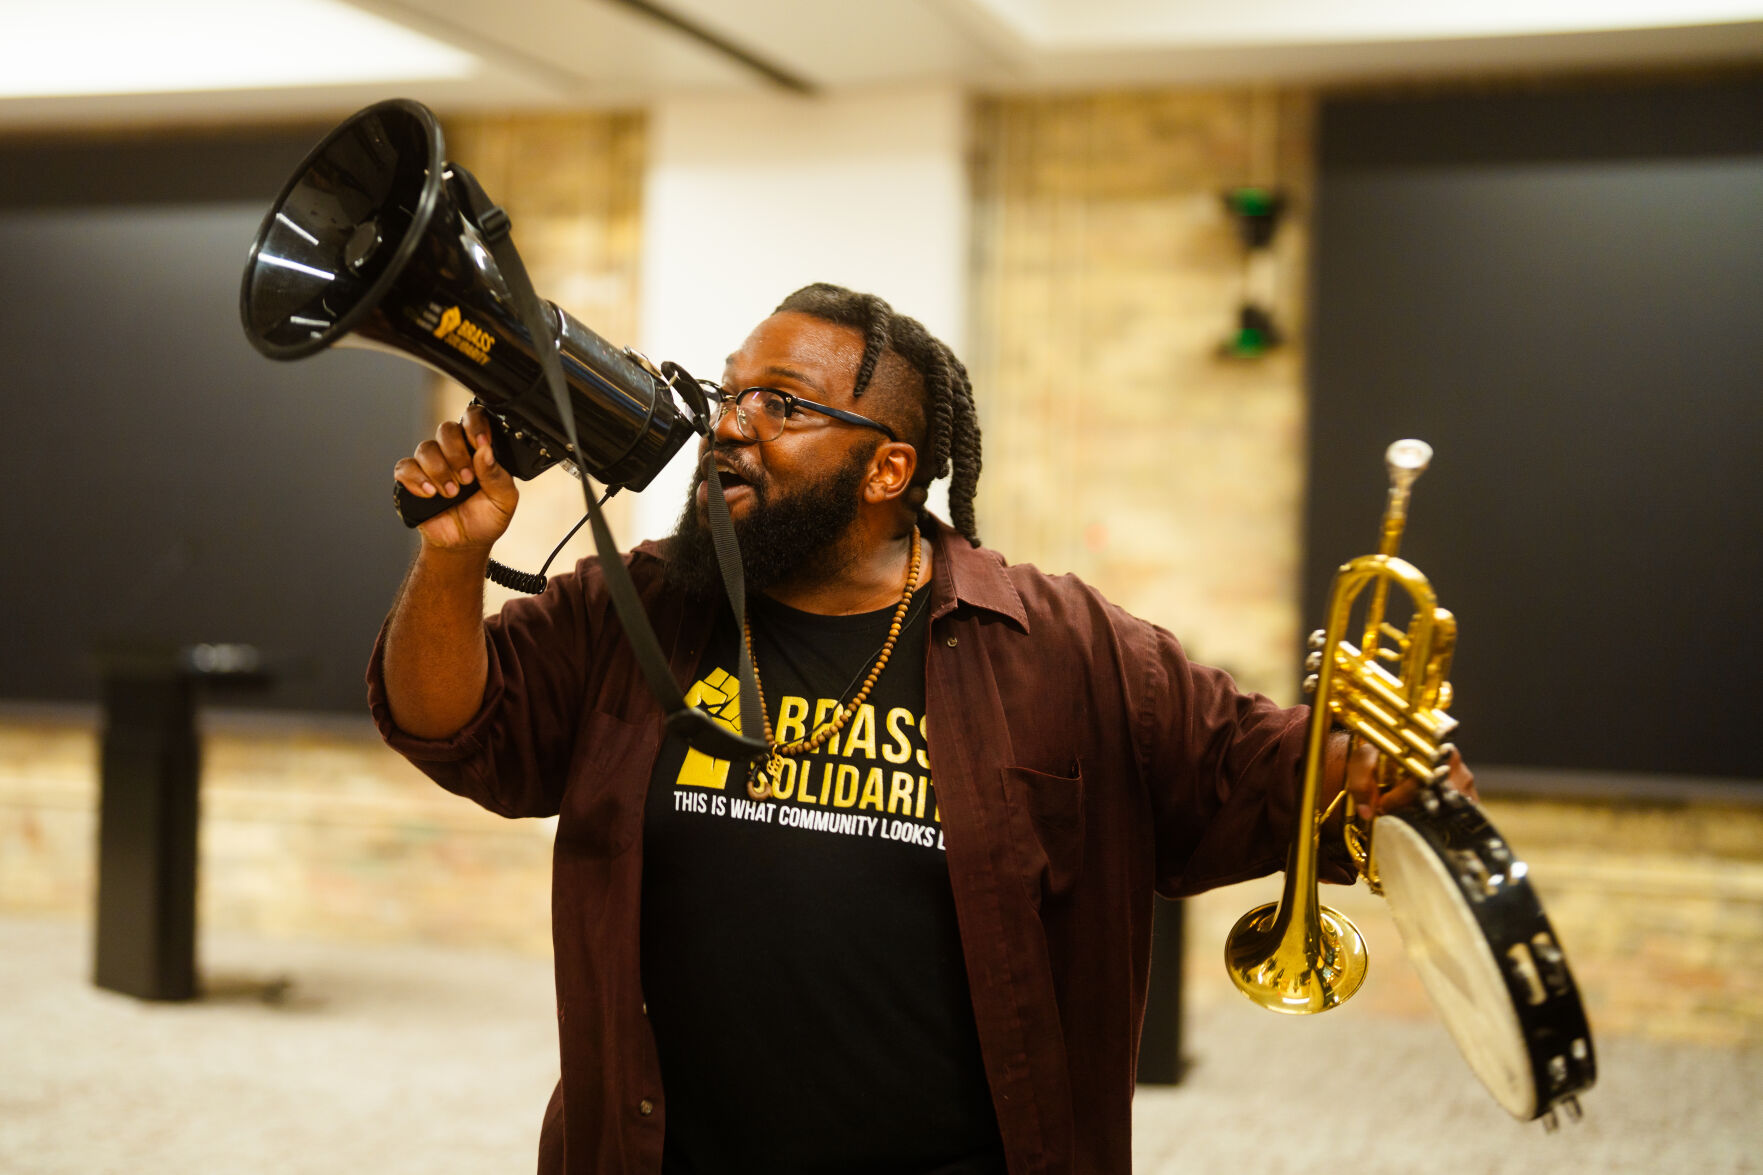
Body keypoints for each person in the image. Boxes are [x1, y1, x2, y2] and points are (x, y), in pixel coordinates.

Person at [369, 283, 1473, 1175]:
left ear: (888, 468)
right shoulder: (642, 605)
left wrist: (1363, 760)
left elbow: (1247, 766)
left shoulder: (1057, 641)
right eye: (730, 392)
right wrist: (453, 557)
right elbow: (457, 724)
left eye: (781, 406)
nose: (727, 425)